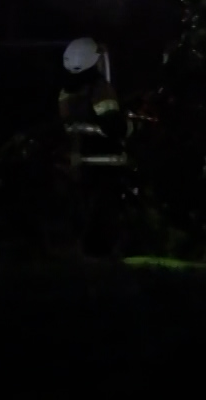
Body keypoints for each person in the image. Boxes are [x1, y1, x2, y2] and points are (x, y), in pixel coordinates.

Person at [57, 37, 131, 258]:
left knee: (82, 229)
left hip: (76, 171)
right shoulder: (100, 89)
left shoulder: (65, 93)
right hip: (104, 168)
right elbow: (113, 126)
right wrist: (130, 126)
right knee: (105, 230)